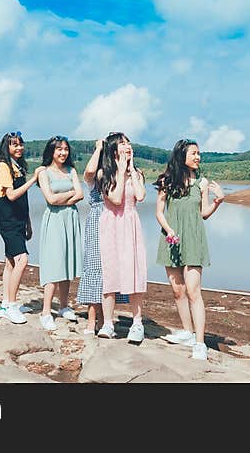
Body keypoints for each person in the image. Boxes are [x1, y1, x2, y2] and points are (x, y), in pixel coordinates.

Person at [154, 139, 225, 360]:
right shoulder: (167, 180)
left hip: (194, 238)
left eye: (199, 153)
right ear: (181, 155)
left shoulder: (201, 183)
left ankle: (200, 343)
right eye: (194, 153)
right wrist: (170, 230)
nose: (198, 157)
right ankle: (186, 331)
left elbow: (203, 213)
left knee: (194, 291)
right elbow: (159, 212)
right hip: (172, 238)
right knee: (178, 291)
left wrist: (218, 202)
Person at [97, 132, 147, 342]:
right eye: (122, 144)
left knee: (134, 272)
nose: (127, 146)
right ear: (113, 150)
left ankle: (137, 323)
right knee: (111, 274)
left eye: (128, 142)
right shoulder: (103, 174)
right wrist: (119, 169)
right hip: (111, 225)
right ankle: (108, 323)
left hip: (130, 223)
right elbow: (116, 199)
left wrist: (131, 168)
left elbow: (141, 195)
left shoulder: (136, 173)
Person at [77, 138, 129, 336]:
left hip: (117, 219)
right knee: (94, 267)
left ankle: (104, 319)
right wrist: (99, 149)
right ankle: (92, 320)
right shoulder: (99, 173)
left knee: (111, 270)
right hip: (98, 218)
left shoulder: (121, 171)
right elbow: (88, 173)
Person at [0, 131, 42, 325]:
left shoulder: (18, 166)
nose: (19, 148)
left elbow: (22, 199)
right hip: (8, 221)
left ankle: (5, 304)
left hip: (19, 220)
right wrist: (34, 179)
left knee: (10, 262)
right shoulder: (3, 167)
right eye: (14, 145)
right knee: (22, 259)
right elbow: (11, 196)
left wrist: (28, 222)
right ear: (6, 147)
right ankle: (11, 305)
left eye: (21, 144)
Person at [36, 135, 83, 331]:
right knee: (54, 264)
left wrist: (62, 197)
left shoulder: (71, 170)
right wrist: (68, 196)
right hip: (54, 220)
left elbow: (80, 194)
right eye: (59, 149)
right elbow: (50, 200)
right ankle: (46, 312)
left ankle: (64, 305)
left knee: (67, 263)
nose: (63, 153)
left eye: (65, 149)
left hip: (70, 219)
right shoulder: (44, 172)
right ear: (51, 152)